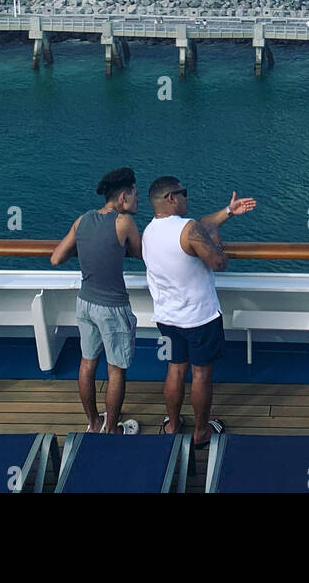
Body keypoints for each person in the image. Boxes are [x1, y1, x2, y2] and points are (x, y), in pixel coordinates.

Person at [143, 176, 256, 449]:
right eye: (184, 193)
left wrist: (229, 211)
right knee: (201, 375)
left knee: (175, 369)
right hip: (199, 318)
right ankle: (202, 433)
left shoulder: (149, 231)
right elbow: (218, 263)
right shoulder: (189, 229)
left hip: (167, 318)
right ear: (171, 198)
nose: (187, 198)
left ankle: (172, 425)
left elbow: (201, 224)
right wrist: (217, 244)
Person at [50, 167, 143, 434]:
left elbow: (56, 258)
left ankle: (93, 423)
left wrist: (88, 246)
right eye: (135, 195)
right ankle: (113, 429)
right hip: (112, 307)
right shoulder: (123, 222)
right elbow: (139, 253)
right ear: (123, 197)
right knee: (116, 369)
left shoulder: (83, 221)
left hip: (85, 303)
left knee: (87, 362)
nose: (138, 200)